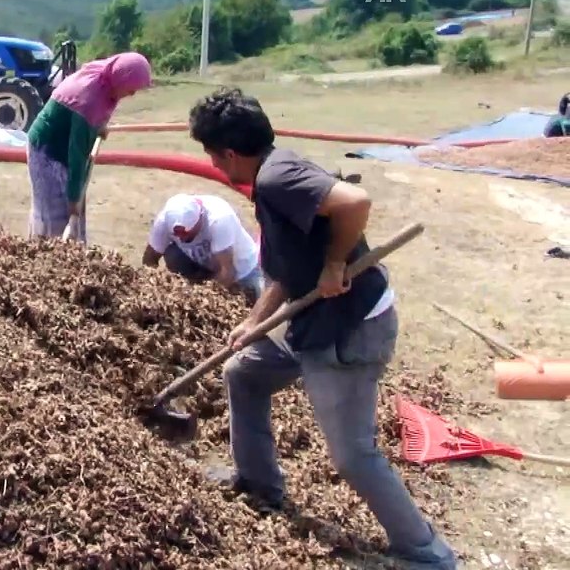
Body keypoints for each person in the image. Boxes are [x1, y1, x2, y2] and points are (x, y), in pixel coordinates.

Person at [186, 87, 457, 569]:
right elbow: (287, 272)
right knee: (243, 372)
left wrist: (335, 264)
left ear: (228, 153)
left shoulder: (276, 177)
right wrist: (253, 321)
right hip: (310, 322)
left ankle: (426, 553)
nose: (214, 166)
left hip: (349, 329)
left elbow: (356, 200)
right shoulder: (272, 176)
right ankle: (259, 484)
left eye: (211, 155)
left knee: (352, 455)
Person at [26, 51, 153, 243]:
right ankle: (48, 257)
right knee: (56, 213)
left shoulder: (107, 77)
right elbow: (77, 156)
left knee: (73, 212)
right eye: (131, 89)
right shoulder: (88, 100)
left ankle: (74, 249)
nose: (133, 94)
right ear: (122, 80)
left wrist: (98, 126)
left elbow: (104, 106)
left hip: (64, 142)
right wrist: (73, 199)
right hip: (46, 150)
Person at [142, 193, 264, 305]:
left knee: (247, 310)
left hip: (241, 271)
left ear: (200, 218)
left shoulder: (219, 219)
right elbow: (149, 260)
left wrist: (199, 298)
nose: (183, 239)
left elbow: (228, 273)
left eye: (188, 234)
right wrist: (157, 289)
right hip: (203, 266)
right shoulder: (164, 221)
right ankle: (194, 286)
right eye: (178, 235)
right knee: (173, 254)